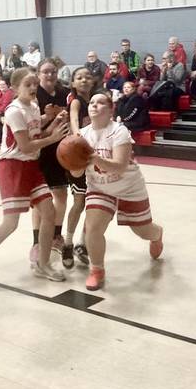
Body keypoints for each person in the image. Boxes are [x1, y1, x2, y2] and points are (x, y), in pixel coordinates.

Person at [0, 68, 69, 297]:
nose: (33, 87)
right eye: (28, 84)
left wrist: (52, 121)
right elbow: (26, 146)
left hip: (31, 167)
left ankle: (43, 263)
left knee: (49, 213)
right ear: (15, 88)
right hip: (12, 167)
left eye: (34, 83)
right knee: (10, 224)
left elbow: (37, 136)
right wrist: (53, 137)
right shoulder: (13, 111)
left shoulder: (34, 106)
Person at [70, 90, 164, 291]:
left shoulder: (119, 131)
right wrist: (73, 161)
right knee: (93, 229)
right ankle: (97, 270)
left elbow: (120, 166)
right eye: (92, 102)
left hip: (129, 186)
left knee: (143, 231)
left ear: (111, 109)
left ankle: (157, 234)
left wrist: (95, 159)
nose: (94, 105)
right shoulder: (82, 135)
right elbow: (76, 173)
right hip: (99, 187)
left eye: (100, 103)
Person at [35, 58, 74, 268]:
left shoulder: (64, 93)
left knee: (61, 194)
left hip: (60, 149)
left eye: (53, 71)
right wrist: (48, 119)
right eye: (46, 71)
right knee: (39, 198)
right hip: (40, 148)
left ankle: (56, 236)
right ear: (38, 73)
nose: (50, 75)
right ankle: (36, 241)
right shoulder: (34, 94)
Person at [66, 66, 96, 265]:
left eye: (87, 77)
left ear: (92, 81)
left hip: (94, 155)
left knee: (93, 204)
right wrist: (79, 136)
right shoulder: (76, 101)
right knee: (79, 203)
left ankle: (82, 243)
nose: (84, 80)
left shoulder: (95, 101)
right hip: (78, 154)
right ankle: (68, 243)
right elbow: (74, 121)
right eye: (79, 77)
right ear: (73, 83)